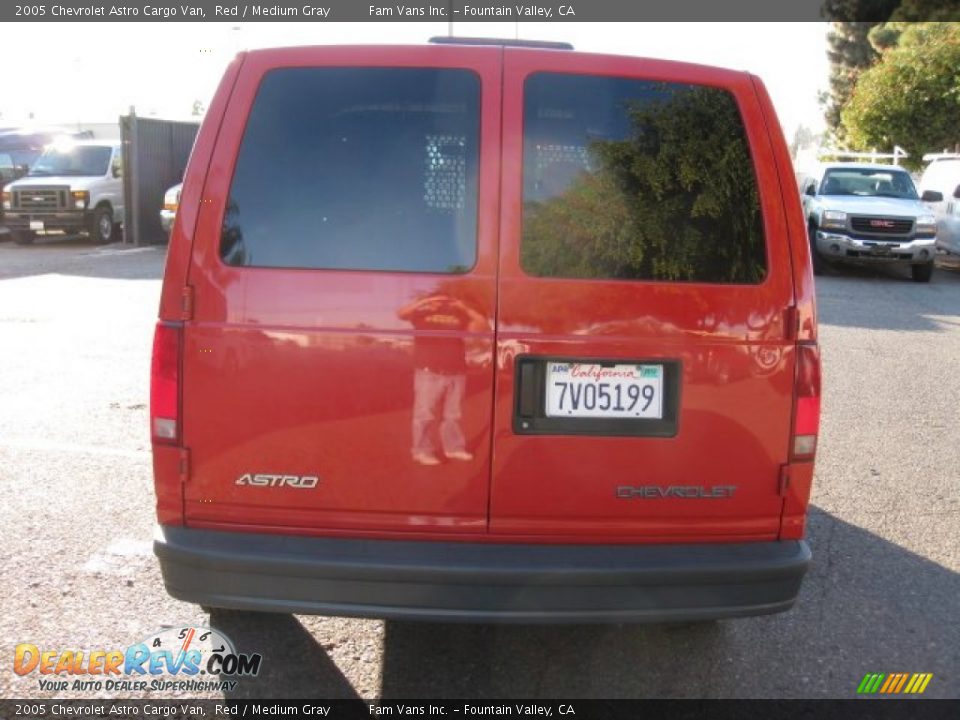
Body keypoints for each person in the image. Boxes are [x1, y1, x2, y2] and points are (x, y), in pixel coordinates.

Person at [398, 293, 487, 466]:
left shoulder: (460, 314)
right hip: (429, 371)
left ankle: (454, 448)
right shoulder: (421, 313)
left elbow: (481, 328)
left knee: (453, 415)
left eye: (446, 299)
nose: (442, 302)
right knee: (424, 414)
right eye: (438, 299)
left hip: (456, 371)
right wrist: (424, 302)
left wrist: (465, 308)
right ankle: (421, 451)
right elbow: (401, 314)